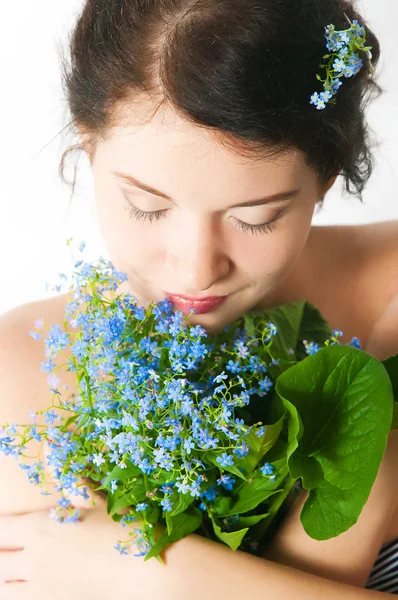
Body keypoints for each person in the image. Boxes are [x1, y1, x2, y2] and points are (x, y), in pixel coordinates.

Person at [0, 0, 397, 596]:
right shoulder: (30, 369)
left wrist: (159, 575)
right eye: (148, 206)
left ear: (326, 178)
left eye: (255, 216)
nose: (196, 268)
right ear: (88, 148)